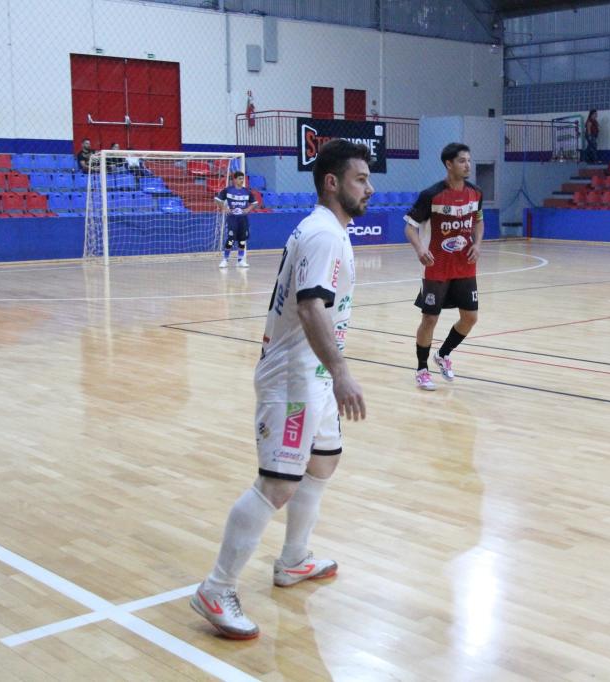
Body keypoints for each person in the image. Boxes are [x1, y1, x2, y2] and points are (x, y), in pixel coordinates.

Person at [190, 140, 371, 640]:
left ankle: (293, 559)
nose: (370, 188)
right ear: (331, 183)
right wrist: (341, 371)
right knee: (278, 483)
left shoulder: (327, 229)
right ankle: (216, 587)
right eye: (360, 179)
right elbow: (312, 307)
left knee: (323, 461)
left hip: (312, 374)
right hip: (294, 377)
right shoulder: (323, 234)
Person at [404, 143, 483, 391]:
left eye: (469, 160)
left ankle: (444, 353)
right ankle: (422, 369)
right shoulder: (431, 195)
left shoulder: (475, 193)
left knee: (470, 318)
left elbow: (478, 221)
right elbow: (410, 227)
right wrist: (420, 249)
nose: (467, 165)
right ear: (449, 164)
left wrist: (477, 244)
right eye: (462, 161)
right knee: (430, 318)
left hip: (465, 266)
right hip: (435, 267)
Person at [215, 170, 259, 268]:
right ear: (234, 180)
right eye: (240, 179)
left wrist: (248, 209)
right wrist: (225, 208)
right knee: (230, 239)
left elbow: (255, 203)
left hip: (243, 219)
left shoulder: (247, 191)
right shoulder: (228, 190)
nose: (242, 180)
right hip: (232, 219)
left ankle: (240, 260)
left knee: (242, 240)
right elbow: (217, 200)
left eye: (243, 179)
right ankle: (225, 260)